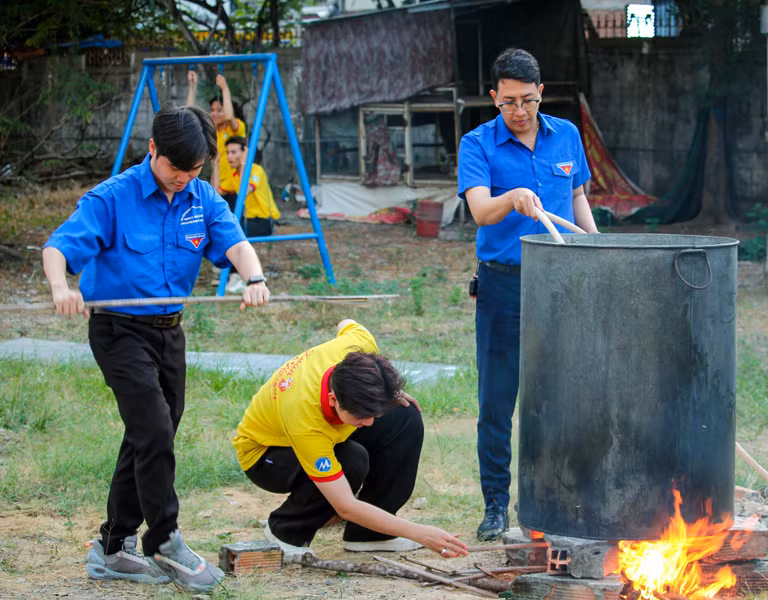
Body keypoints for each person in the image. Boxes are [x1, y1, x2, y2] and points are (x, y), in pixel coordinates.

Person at [42, 104, 271, 592]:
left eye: (195, 170)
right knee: (153, 429)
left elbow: (234, 242)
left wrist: (254, 277)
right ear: (152, 151)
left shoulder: (201, 196)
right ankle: (164, 540)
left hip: (170, 331)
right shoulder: (113, 197)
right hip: (118, 330)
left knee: (150, 434)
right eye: (176, 168)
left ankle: (111, 547)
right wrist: (62, 287)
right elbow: (58, 247)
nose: (184, 178)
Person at [457, 48, 599, 541]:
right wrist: (511, 199)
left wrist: (596, 249)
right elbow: (480, 211)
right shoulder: (477, 144)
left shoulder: (568, 136)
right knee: (498, 401)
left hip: (562, 283)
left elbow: (578, 197)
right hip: (503, 285)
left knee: (564, 395)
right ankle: (496, 504)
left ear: (542, 92)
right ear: (494, 98)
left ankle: (562, 496)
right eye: (509, 102)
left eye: (527, 101)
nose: (519, 112)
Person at [233, 319, 469, 561]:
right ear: (334, 399)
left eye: (371, 414)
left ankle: (369, 534)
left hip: (324, 427)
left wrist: (387, 392)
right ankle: (286, 531)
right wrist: (421, 533)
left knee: (403, 414)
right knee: (351, 460)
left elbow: (345, 322)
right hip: (266, 456)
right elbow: (345, 506)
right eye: (361, 416)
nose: (369, 423)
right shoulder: (305, 417)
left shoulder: (359, 344)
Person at [188, 70, 246, 213]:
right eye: (212, 110)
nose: (214, 113)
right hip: (219, 185)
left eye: (218, 110)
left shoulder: (236, 129)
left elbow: (228, 116)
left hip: (235, 187)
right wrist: (192, 87)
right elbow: (189, 114)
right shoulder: (212, 130)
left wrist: (224, 88)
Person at [212, 135, 281, 238]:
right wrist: (215, 165)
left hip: (264, 221)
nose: (229, 157)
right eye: (228, 152)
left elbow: (244, 191)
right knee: (220, 226)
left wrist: (244, 162)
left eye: (233, 152)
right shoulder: (234, 175)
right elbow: (215, 193)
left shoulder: (257, 170)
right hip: (247, 220)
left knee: (230, 233)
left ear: (244, 153)